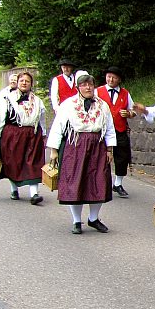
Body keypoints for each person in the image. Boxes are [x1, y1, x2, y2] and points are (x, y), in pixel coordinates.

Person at [46, 70, 116, 234]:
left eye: (90, 84)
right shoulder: (68, 105)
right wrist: (54, 151)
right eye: (84, 85)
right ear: (78, 87)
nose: (87, 87)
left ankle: (93, 218)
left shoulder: (102, 105)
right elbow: (58, 127)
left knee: (98, 181)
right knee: (74, 182)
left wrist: (110, 149)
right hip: (75, 145)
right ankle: (76, 221)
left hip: (97, 146)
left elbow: (109, 129)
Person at [0, 72, 47, 204]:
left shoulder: (37, 101)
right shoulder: (7, 99)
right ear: (18, 82)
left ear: (31, 84)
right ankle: (14, 189)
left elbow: (42, 119)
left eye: (27, 81)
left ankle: (34, 194)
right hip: (13, 134)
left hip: (33, 134)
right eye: (22, 80)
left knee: (34, 162)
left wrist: (44, 136)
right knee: (14, 162)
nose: (24, 83)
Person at [95, 66, 137, 198]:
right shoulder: (97, 92)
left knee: (122, 157)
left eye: (114, 77)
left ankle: (117, 183)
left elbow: (133, 110)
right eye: (109, 76)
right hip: (102, 130)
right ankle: (99, 182)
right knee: (100, 156)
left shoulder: (125, 93)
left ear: (119, 79)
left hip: (120, 129)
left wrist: (129, 114)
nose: (111, 79)